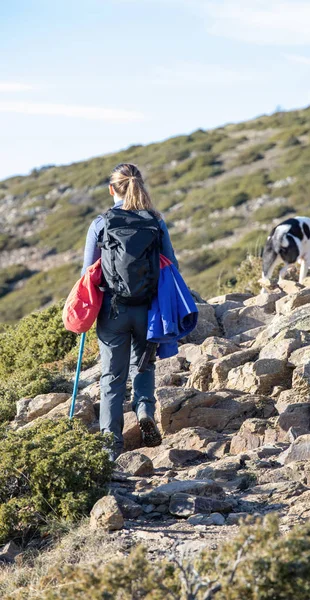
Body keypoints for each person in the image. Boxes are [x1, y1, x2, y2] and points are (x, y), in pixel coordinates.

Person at [81, 163, 179, 459]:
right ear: (140, 185)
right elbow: (170, 264)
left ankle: (111, 445)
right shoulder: (155, 221)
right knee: (144, 364)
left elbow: (88, 271)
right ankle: (145, 410)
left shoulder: (101, 223)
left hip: (113, 310)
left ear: (112, 189)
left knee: (112, 376)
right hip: (147, 308)